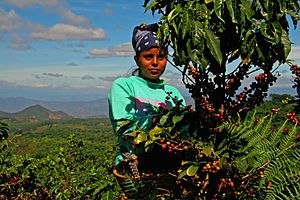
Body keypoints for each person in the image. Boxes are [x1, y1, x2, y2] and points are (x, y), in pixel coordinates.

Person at [108, 23, 186, 175]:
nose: (155, 62)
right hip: (135, 167)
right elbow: (124, 128)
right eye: (148, 56)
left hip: (171, 169)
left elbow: (185, 131)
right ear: (137, 59)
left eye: (161, 57)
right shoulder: (124, 86)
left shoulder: (173, 93)